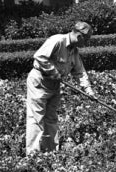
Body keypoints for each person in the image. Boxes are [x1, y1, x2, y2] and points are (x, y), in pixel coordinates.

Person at [26, 21, 96, 155]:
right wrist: (53, 71)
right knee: (36, 119)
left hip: (54, 85)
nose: (86, 43)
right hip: (39, 82)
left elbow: (80, 72)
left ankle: (50, 153)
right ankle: (33, 156)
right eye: (86, 40)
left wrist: (89, 91)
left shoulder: (74, 51)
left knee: (51, 118)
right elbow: (39, 57)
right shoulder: (57, 40)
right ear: (79, 36)